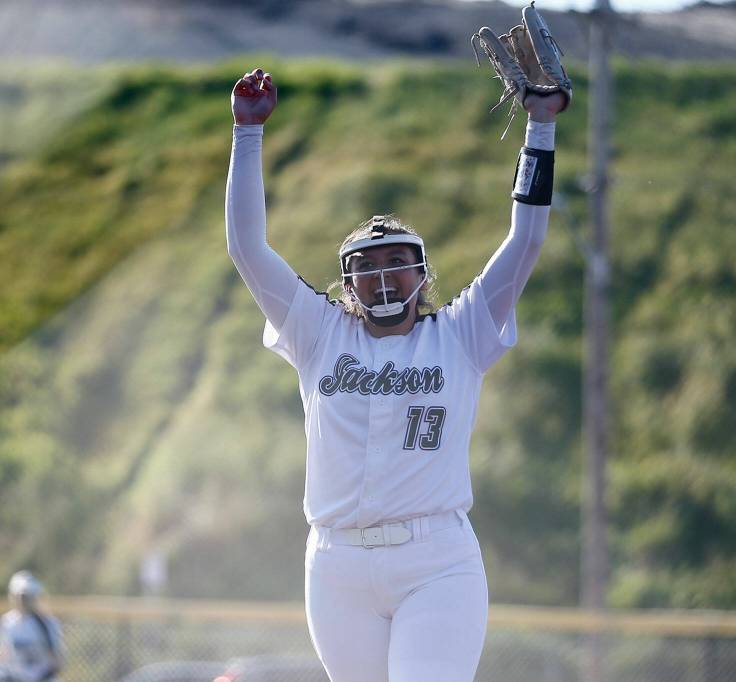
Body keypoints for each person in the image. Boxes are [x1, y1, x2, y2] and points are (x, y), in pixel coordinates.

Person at [225, 66, 566, 681]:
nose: (384, 275)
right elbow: (248, 248)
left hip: (436, 560)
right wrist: (246, 135)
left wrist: (540, 128)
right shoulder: (318, 332)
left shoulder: (460, 334)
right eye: (368, 264)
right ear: (346, 280)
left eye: (398, 262)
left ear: (423, 274)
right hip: (336, 565)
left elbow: (527, 241)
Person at [0, 571, 65, 682]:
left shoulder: (47, 623)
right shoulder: (8, 621)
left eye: (26, 596)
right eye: (19, 596)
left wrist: (42, 676)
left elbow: (57, 659)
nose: (22, 601)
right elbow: (2, 650)